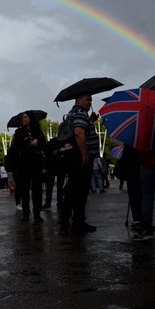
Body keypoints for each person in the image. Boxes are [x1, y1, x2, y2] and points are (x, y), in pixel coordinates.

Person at [58, 94, 98, 234]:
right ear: (79, 100)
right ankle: (78, 222)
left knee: (72, 188)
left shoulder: (72, 113)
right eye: (88, 100)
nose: (90, 103)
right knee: (81, 191)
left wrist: (90, 120)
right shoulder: (80, 113)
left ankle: (65, 217)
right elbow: (79, 133)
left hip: (72, 157)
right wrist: (85, 155)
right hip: (80, 158)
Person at [10, 111, 46, 222]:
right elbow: (15, 147)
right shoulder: (19, 132)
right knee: (24, 190)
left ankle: (37, 213)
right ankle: (26, 213)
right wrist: (25, 141)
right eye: (22, 117)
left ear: (31, 118)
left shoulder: (38, 132)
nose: (23, 119)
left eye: (25, 117)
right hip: (23, 164)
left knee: (37, 190)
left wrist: (37, 141)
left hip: (36, 163)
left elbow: (44, 146)